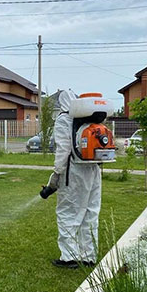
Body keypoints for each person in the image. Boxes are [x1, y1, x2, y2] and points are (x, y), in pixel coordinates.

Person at [47, 90, 102, 269]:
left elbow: (63, 149)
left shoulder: (64, 120)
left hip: (74, 172)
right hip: (94, 171)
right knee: (90, 213)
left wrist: (56, 174)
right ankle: (88, 256)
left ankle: (69, 257)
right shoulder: (88, 119)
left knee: (68, 212)